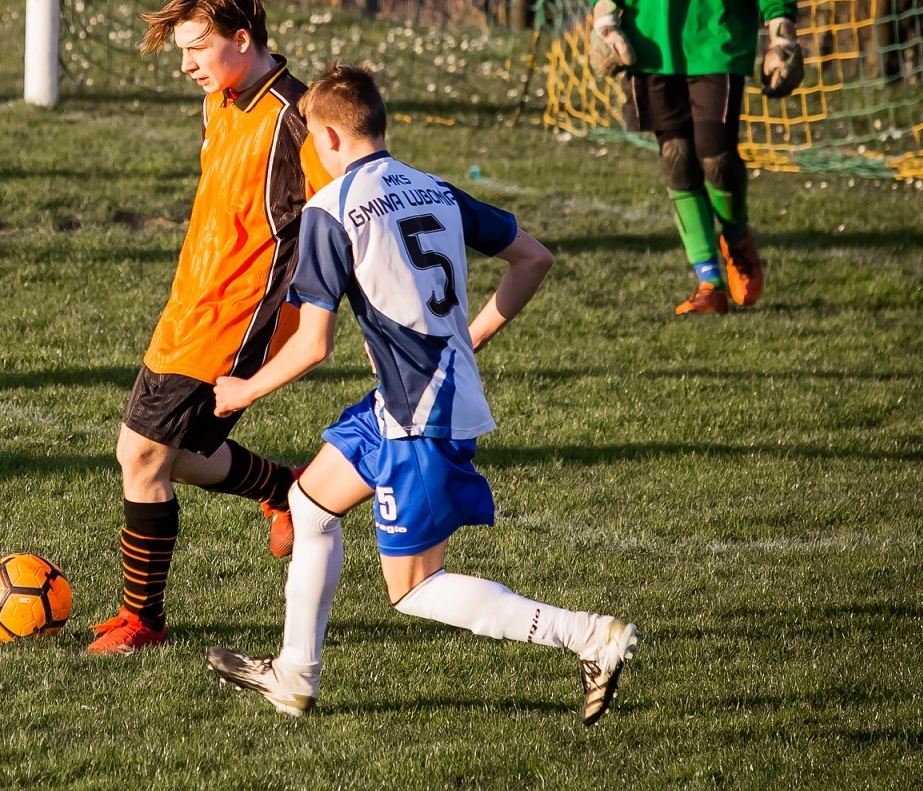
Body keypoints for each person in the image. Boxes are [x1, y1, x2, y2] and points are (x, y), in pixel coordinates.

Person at [203, 65, 638, 725]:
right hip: (405, 400)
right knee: (309, 503)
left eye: (311, 139)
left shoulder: (330, 210)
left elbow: (313, 344)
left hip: (419, 414)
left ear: (327, 137)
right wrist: (473, 334)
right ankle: (294, 675)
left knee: (413, 588)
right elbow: (534, 257)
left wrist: (243, 391)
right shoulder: (433, 188)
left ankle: (586, 635)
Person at [86, 0, 333, 655]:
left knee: (141, 455)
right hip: (190, 305)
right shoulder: (220, 101)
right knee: (181, 455)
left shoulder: (296, 117)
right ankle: (284, 488)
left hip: (240, 317)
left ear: (242, 39)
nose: (187, 64)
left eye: (197, 47)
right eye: (182, 52)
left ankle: (143, 621)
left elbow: (347, 206)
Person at [588, 0, 803, 314]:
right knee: (677, 157)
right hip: (650, 42)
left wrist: (781, 36)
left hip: (718, 39)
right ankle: (709, 282)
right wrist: (605, 21)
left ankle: (736, 237)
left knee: (717, 158)